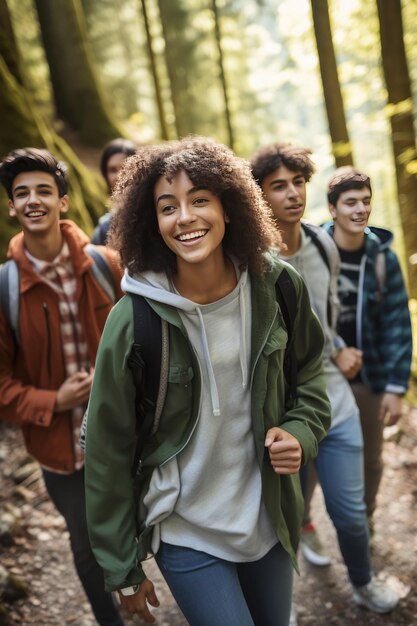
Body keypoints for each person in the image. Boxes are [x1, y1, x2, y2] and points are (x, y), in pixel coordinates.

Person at [84, 136, 331, 626]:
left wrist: (302, 431)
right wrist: (122, 568)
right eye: (168, 206)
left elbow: (309, 374)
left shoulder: (278, 286)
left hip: (268, 514)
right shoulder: (132, 319)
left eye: (200, 200)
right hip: (186, 529)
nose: (186, 218)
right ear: (151, 222)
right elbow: (106, 447)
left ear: (229, 206)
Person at [250, 142, 399, 615]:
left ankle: (362, 583)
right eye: (279, 186)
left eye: (298, 182)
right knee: (285, 518)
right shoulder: (247, 261)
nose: (293, 193)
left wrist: (339, 350)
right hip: (278, 413)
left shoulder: (322, 245)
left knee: (352, 516)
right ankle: (281, 604)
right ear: (260, 195)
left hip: (334, 400)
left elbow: (326, 318)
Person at [0, 148, 125, 626]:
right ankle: (110, 619)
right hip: (59, 451)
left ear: (64, 202)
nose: (33, 200)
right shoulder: (5, 288)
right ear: (12, 207)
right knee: (86, 544)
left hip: (121, 435)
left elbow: (147, 343)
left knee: (140, 524)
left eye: (44, 191)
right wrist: (56, 399)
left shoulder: (106, 266)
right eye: (22, 193)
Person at [323, 167, 412, 532]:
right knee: (316, 458)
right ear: (332, 209)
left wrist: (395, 386)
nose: (360, 209)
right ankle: (306, 525)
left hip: (369, 375)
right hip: (323, 373)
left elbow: (397, 322)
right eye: (350, 202)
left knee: (371, 460)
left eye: (365, 201)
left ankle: (365, 522)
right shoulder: (315, 252)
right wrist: (336, 349)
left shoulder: (382, 258)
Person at [91, 138, 136, 245]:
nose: (119, 175)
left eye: (125, 167)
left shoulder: (157, 214)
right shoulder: (105, 228)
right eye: (112, 170)